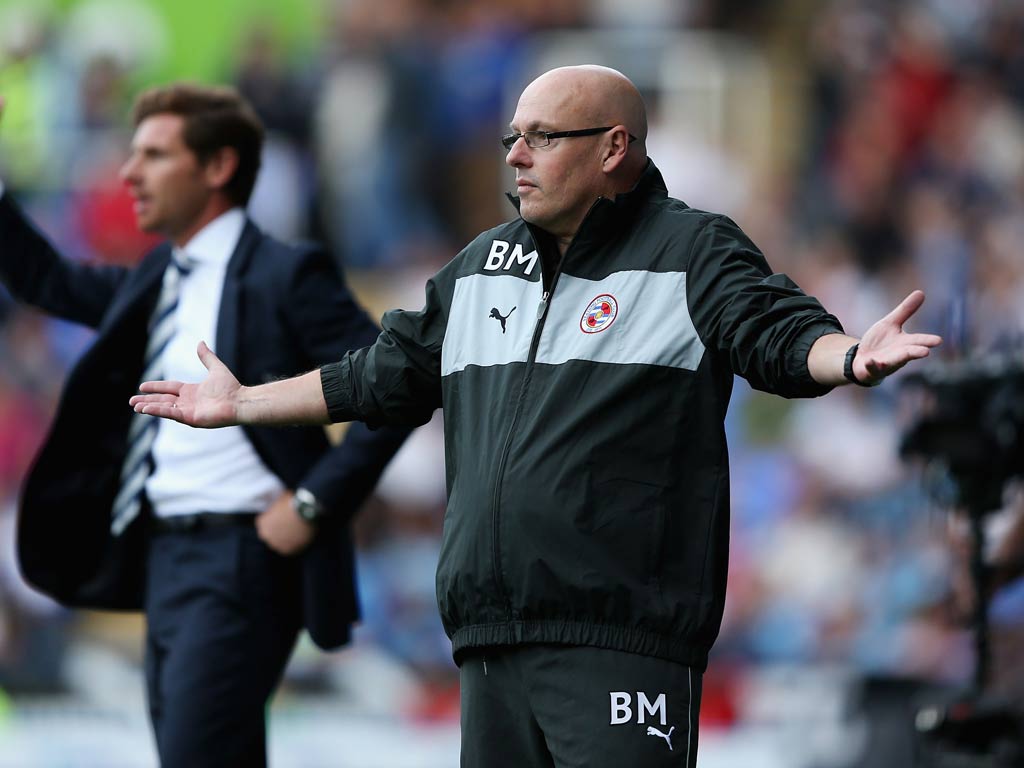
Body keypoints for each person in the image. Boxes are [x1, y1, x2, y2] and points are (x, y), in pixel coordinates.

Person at [131, 66, 942, 768]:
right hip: (490, 647)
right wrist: (242, 404)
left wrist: (848, 355)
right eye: (513, 137)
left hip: (619, 647)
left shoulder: (689, 250)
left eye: (543, 137)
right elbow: (378, 378)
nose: (515, 155)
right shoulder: (482, 265)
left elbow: (776, 334)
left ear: (614, 148)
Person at [0, 85, 408, 766]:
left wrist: (313, 502)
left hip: (242, 558)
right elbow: (48, 282)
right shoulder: (159, 275)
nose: (129, 174)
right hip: (164, 558)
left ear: (217, 167)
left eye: (155, 155)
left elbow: (395, 388)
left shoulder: (287, 273)